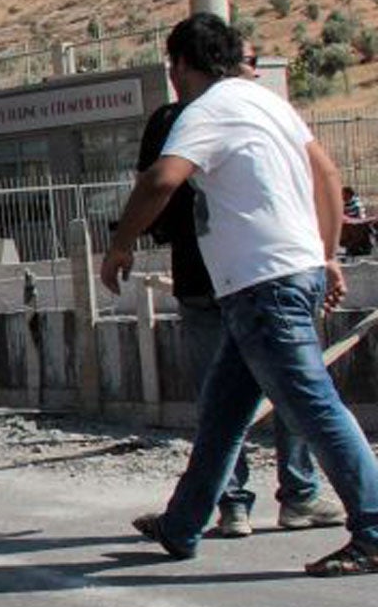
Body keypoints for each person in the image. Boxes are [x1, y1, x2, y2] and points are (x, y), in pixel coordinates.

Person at [103, 12, 378, 575]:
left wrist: (120, 244)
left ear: (180, 64)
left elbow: (162, 179)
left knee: (314, 405)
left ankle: (374, 527)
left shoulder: (206, 109)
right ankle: (182, 524)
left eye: (173, 67)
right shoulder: (268, 103)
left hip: (263, 286)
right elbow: (326, 174)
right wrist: (324, 254)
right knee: (223, 414)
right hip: (279, 278)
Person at [135, 42, 334, 537]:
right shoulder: (232, 113)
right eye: (247, 58)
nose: (251, 67)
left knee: (237, 404)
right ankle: (258, 502)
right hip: (232, 281)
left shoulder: (230, 112)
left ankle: (213, 513)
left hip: (249, 280)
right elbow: (158, 182)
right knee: (286, 398)